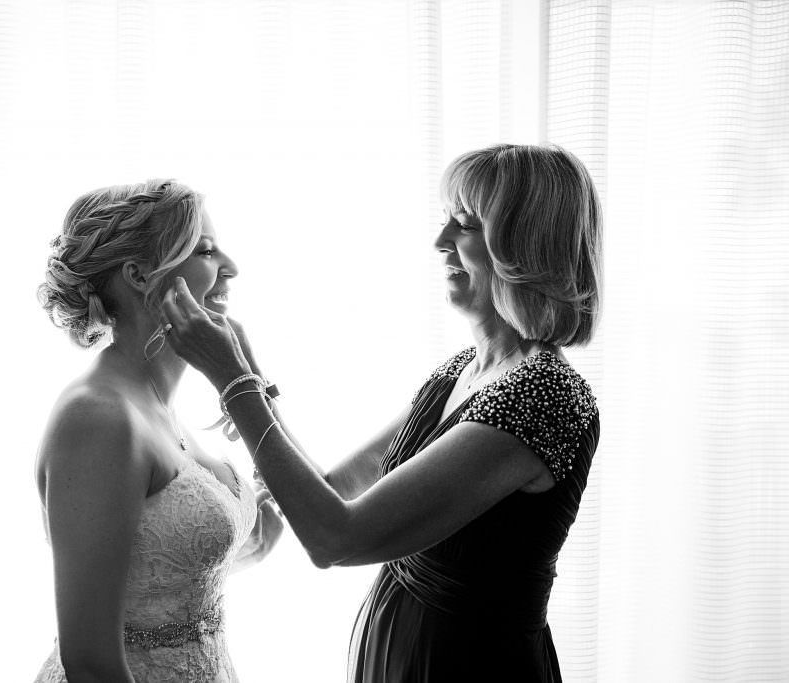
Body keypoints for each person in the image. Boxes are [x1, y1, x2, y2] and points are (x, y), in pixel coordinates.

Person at [163, 144, 603, 682]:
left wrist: (234, 385)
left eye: (463, 225)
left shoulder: (544, 396)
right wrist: (251, 379)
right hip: (404, 648)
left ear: (521, 247)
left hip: (468, 664)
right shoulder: (462, 371)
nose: (440, 242)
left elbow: (337, 539)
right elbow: (332, 489)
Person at [32, 179, 283, 683]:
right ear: (139, 274)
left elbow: (145, 585)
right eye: (207, 250)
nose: (231, 267)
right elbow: (90, 660)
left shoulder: (161, 407)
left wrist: (243, 549)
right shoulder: (99, 417)